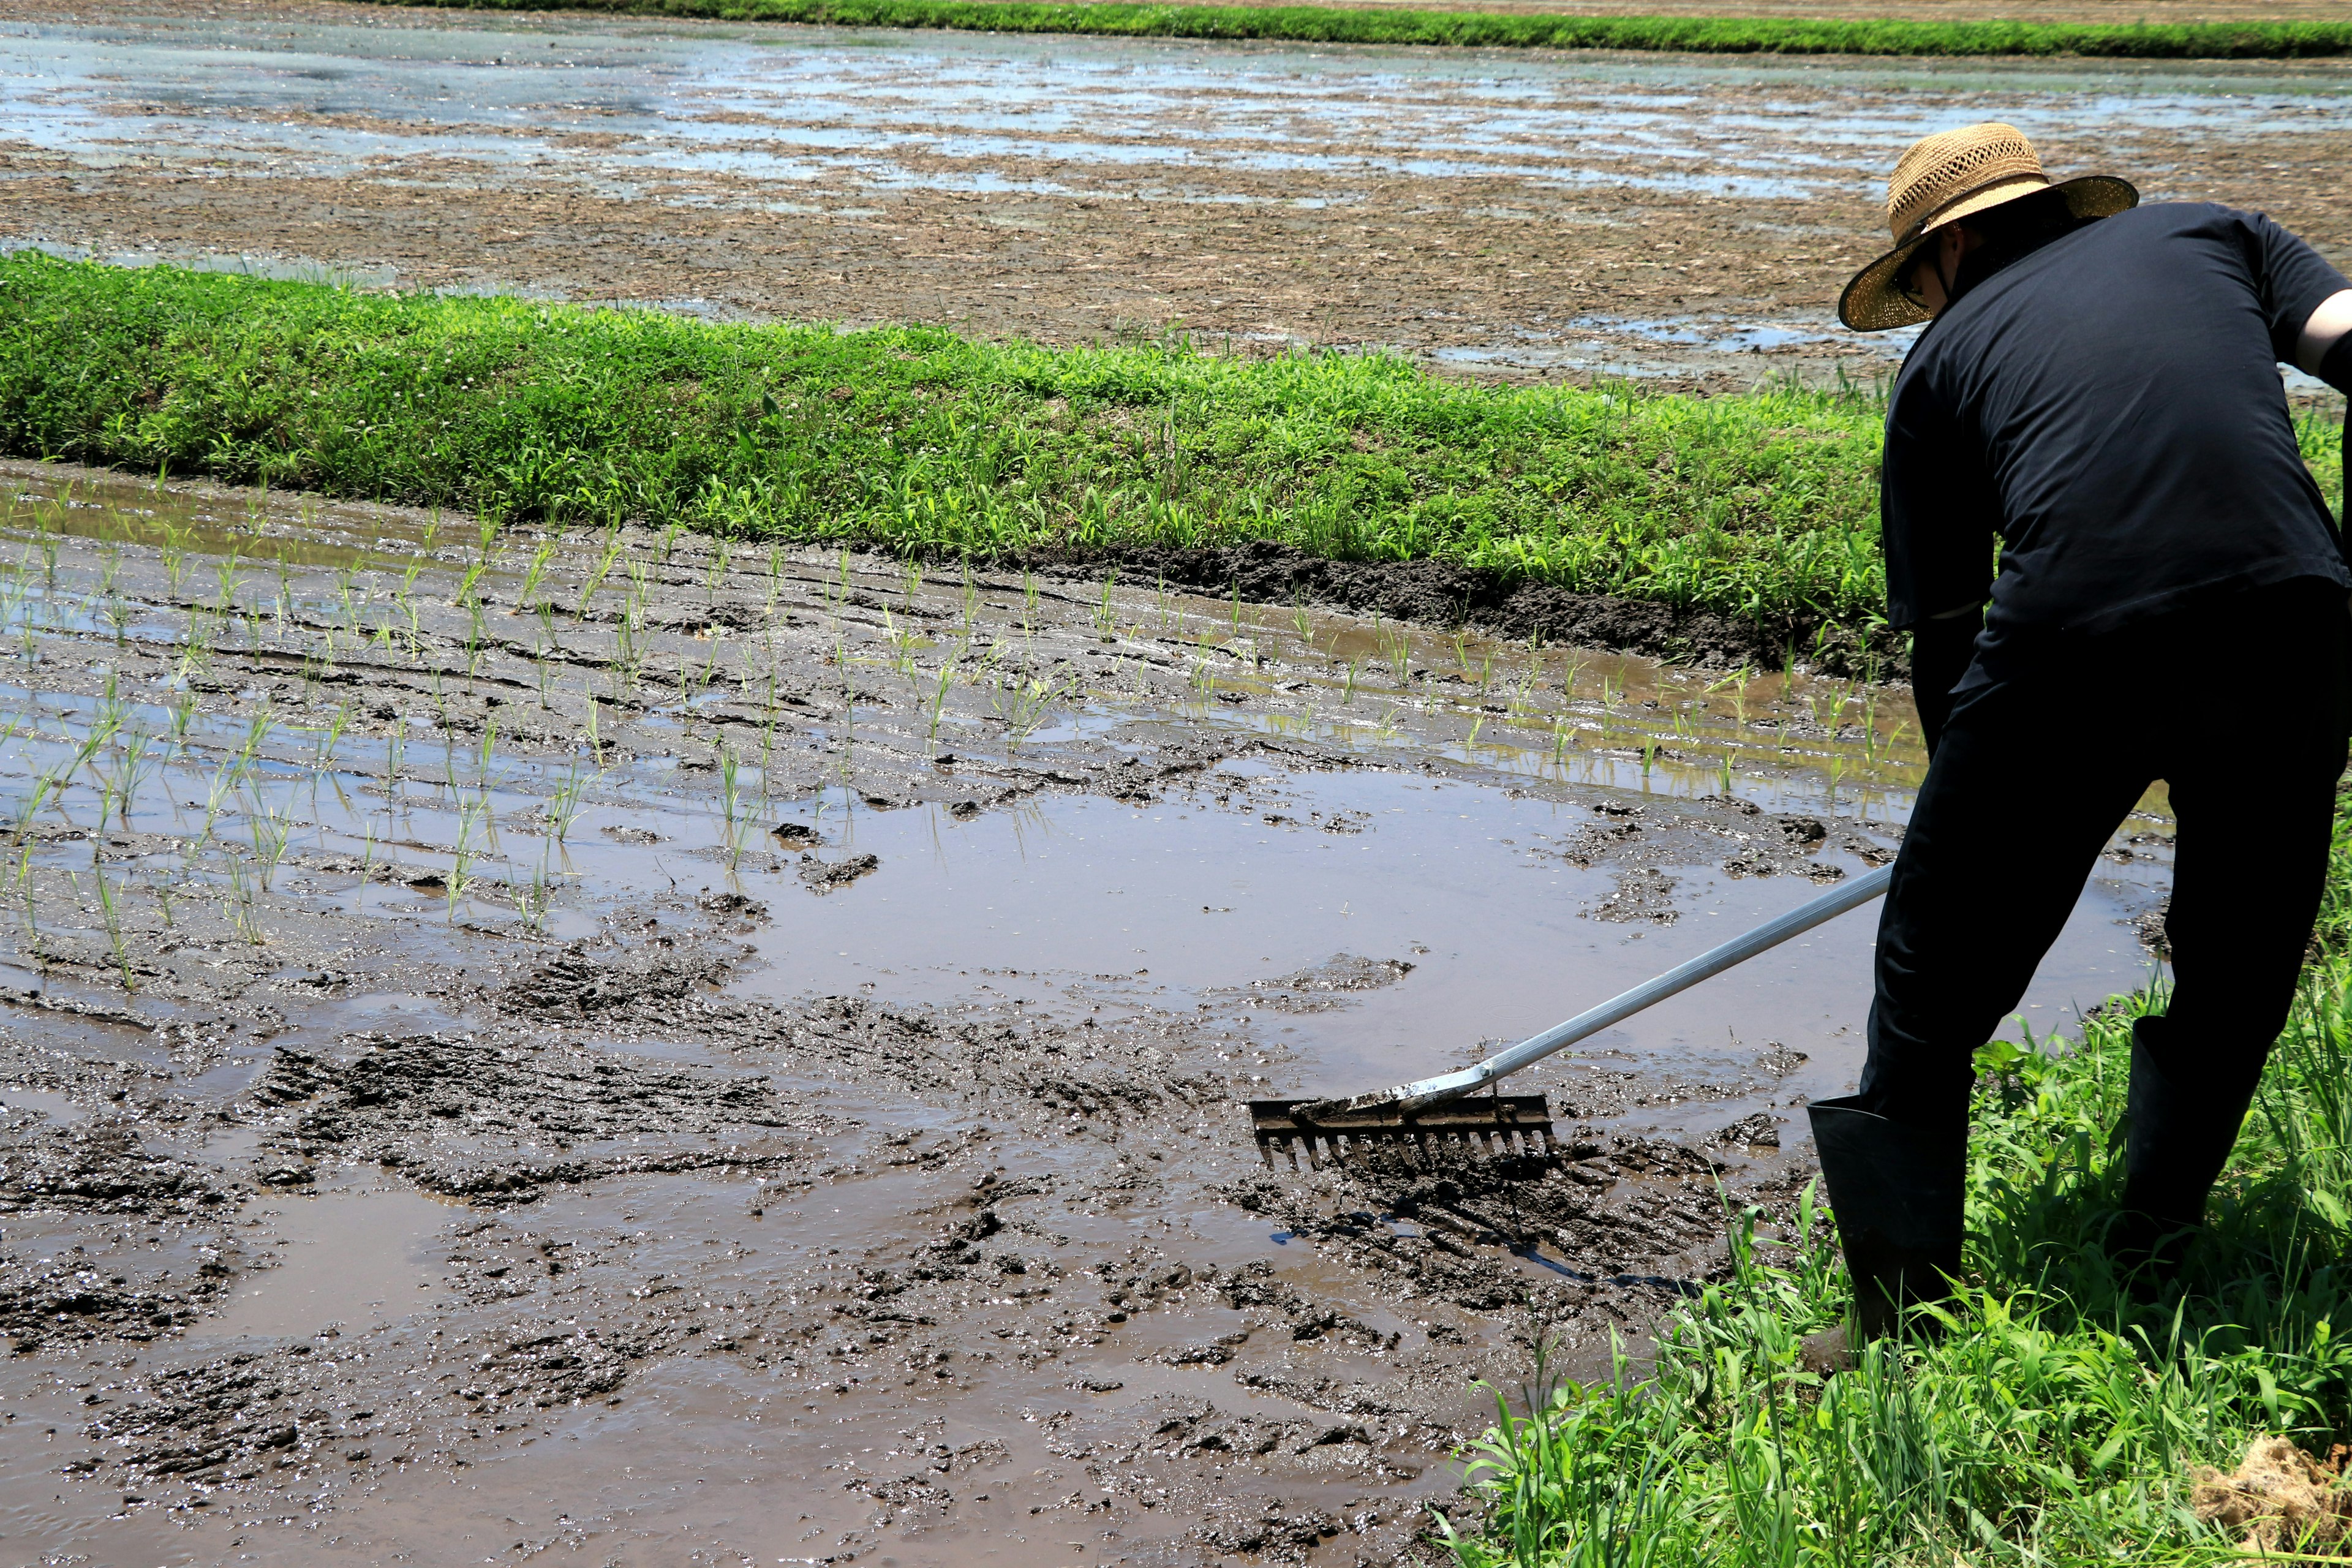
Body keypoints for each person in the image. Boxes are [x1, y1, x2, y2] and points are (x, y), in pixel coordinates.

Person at [1814, 122, 2352, 1338]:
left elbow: (1949, 637)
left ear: (1944, 255)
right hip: (2298, 613)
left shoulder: (1941, 368)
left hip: (2078, 636)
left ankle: (1894, 1310)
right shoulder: (2223, 236)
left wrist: (1966, 834)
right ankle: (2156, 1236)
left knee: (1928, 982)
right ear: (2058, 209)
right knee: (2239, 954)